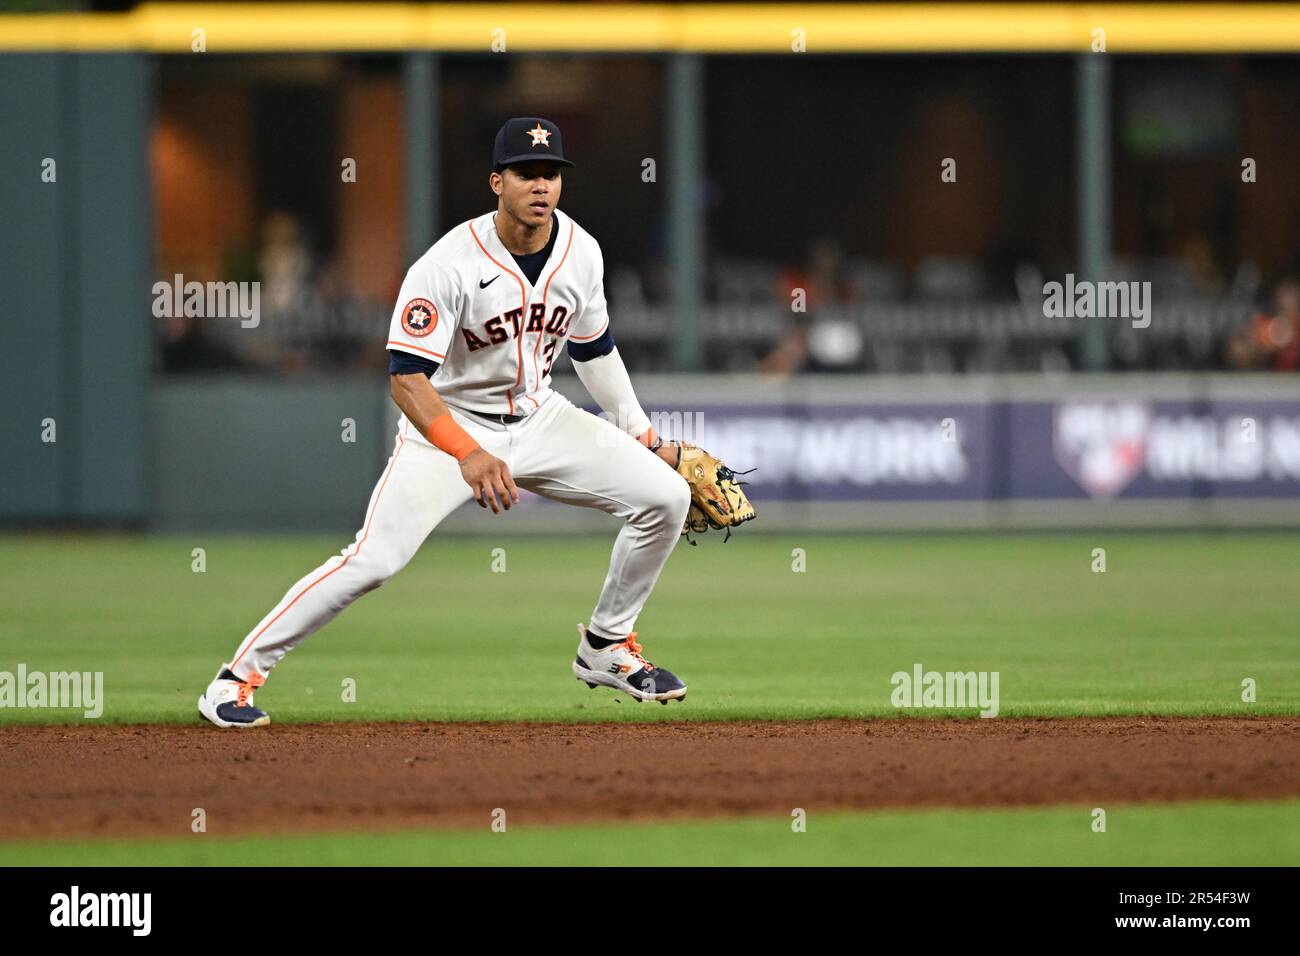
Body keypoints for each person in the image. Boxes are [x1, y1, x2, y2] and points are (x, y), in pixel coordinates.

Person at [198, 117, 692, 728]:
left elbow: (594, 351)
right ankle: (234, 679)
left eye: (551, 174)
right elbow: (407, 379)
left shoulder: (581, 252)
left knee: (667, 496)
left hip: (540, 417)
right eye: (525, 173)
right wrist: (467, 452)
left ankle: (607, 648)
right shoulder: (447, 264)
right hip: (448, 425)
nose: (541, 185)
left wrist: (645, 438)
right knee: (374, 561)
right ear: (496, 182)